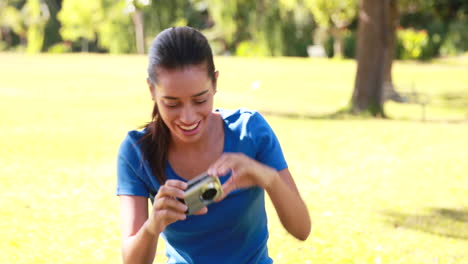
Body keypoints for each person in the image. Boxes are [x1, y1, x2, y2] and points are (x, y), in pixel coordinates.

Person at [117, 26, 311, 264]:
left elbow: (302, 230)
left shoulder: (249, 132)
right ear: (152, 90)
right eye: (172, 104)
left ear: (215, 83)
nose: (188, 118)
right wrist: (153, 225)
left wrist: (267, 177)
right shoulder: (137, 151)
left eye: (200, 100)